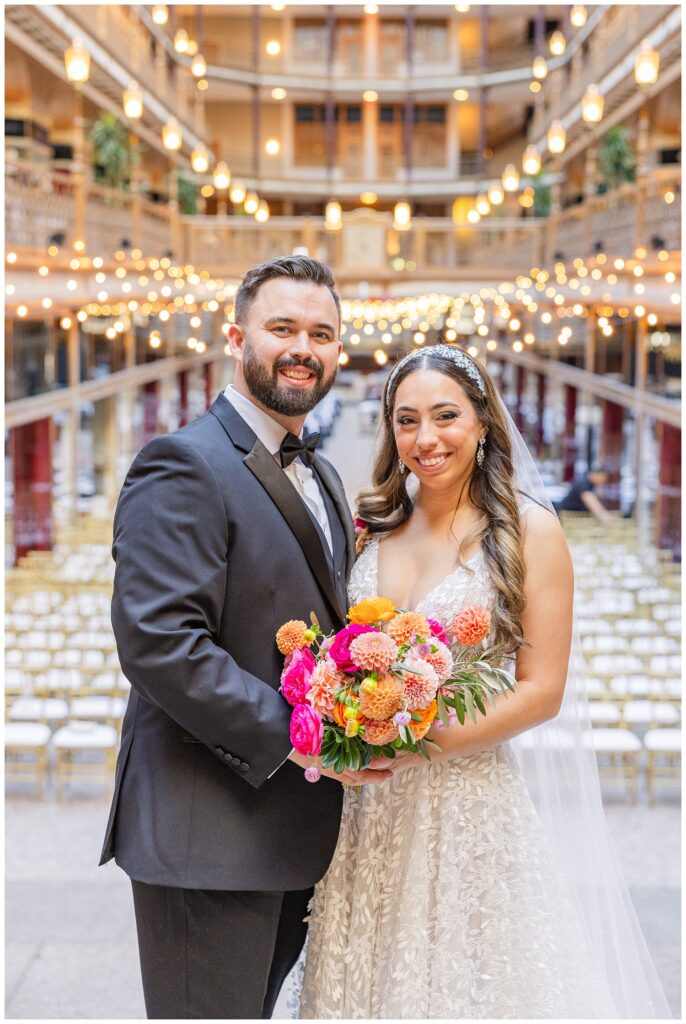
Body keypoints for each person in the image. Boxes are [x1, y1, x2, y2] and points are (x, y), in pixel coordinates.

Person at [296, 344, 670, 1019]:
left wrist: (411, 746)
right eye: (406, 420)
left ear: (483, 422)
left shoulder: (530, 532)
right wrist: (343, 724)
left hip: (465, 799)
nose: (425, 438)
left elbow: (541, 689)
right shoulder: (371, 527)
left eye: (445, 416)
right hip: (367, 811)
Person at [99, 255, 392, 1020]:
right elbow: (161, 643)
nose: (304, 347)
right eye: (283, 327)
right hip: (207, 838)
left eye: (322, 333)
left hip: (291, 836)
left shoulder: (324, 476)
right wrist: (309, 741)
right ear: (237, 337)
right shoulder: (183, 463)